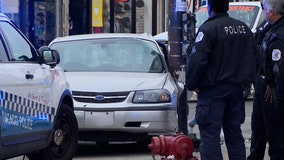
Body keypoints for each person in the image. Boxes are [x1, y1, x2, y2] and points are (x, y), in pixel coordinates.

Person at [186, 0, 257, 159]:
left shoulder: (208, 29)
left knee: (210, 136)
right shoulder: (243, 28)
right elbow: (254, 56)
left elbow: (197, 60)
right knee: (234, 135)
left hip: (212, 92)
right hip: (236, 90)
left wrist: (193, 83)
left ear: (210, 7)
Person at [256, 0, 284, 159]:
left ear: (272, 11)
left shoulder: (279, 36)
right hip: (265, 86)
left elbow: (279, 70)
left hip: (275, 93)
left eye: (264, 8)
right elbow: (258, 39)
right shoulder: (269, 27)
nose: (263, 11)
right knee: (260, 132)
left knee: (277, 141)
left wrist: (272, 84)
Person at [247, 20, 272, 160]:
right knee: (258, 128)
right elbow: (255, 48)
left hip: (273, 86)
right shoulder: (266, 25)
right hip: (261, 83)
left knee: (275, 134)